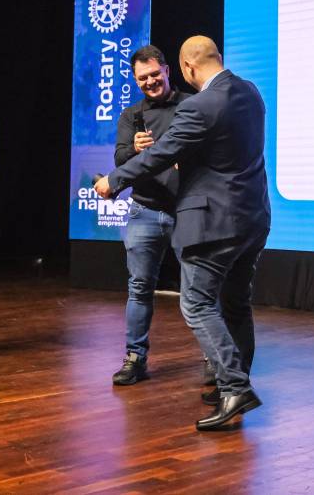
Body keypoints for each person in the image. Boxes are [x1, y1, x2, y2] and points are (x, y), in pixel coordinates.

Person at [95, 35, 270, 431]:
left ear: (186, 68)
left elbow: (161, 154)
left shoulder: (198, 105)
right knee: (236, 303)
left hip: (213, 223)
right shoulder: (250, 92)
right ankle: (231, 383)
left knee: (196, 304)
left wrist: (113, 181)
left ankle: (234, 387)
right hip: (253, 217)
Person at [110, 44, 193, 386]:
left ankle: (213, 361)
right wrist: (134, 148)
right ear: (135, 79)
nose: (150, 82)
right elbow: (119, 159)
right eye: (142, 78)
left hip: (187, 211)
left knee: (199, 290)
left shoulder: (191, 105)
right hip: (144, 210)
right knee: (140, 288)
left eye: (155, 74)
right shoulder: (132, 115)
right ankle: (135, 358)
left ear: (167, 70)